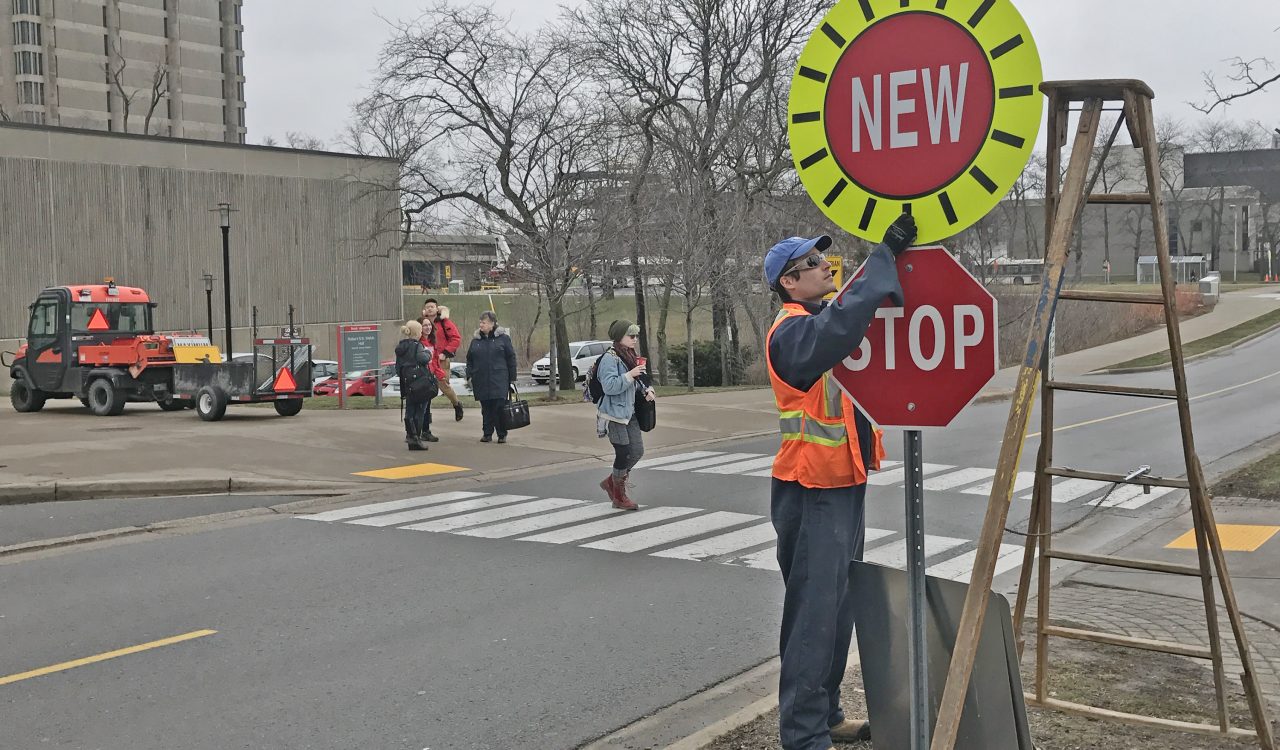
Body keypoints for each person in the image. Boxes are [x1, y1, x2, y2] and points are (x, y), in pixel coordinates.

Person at [764, 212, 916, 750]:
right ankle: (804, 737)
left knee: (838, 607)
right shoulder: (792, 332)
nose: (825, 265)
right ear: (788, 281)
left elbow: (847, 316)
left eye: (826, 258)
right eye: (812, 262)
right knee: (813, 615)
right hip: (810, 490)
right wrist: (883, 258)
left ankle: (825, 716)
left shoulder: (817, 317)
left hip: (841, 483)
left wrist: (888, 265)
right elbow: (840, 326)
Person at [595, 320, 655, 511]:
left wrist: (648, 389)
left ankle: (611, 481)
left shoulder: (630, 355)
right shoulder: (609, 359)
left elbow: (640, 380)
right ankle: (619, 496)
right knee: (623, 452)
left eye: (636, 336)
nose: (635, 339)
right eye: (631, 336)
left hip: (630, 411)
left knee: (637, 450)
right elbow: (609, 386)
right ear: (620, 337)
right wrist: (630, 375)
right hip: (614, 414)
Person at [465, 310, 517, 443]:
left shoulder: (503, 339)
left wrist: (512, 377)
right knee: (486, 408)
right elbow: (469, 359)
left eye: (484, 322)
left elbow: (511, 358)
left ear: (492, 324)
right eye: (480, 322)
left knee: (499, 407)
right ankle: (487, 433)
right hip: (481, 379)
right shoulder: (475, 341)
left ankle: (501, 433)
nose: (481, 325)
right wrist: (469, 375)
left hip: (499, 379)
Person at [421, 299, 465, 422]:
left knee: (444, 386)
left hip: (441, 360)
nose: (430, 309)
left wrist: (445, 353)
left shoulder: (445, 323)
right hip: (426, 361)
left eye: (432, 306)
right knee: (426, 388)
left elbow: (456, 338)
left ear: (437, 309)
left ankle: (456, 404)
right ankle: (426, 418)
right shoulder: (421, 323)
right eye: (427, 307)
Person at [394, 319, 433, 451]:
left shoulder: (401, 348)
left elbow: (397, 368)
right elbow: (423, 359)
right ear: (417, 332)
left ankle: (410, 436)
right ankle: (416, 438)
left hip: (407, 384)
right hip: (419, 384)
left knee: (409, 410)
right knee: (420, 410)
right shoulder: (418, 346)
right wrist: (429, 353)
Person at [415, 317, 449, 442]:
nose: (428, 327)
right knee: (420, 407)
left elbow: (435, 361)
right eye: (425, 325)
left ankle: (425, 430)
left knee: (427, 406)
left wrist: (440, 374)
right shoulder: (417, 343)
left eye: (429, 325)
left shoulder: (432, 342)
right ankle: (416, 432)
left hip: (430, 379)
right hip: (420, 379)